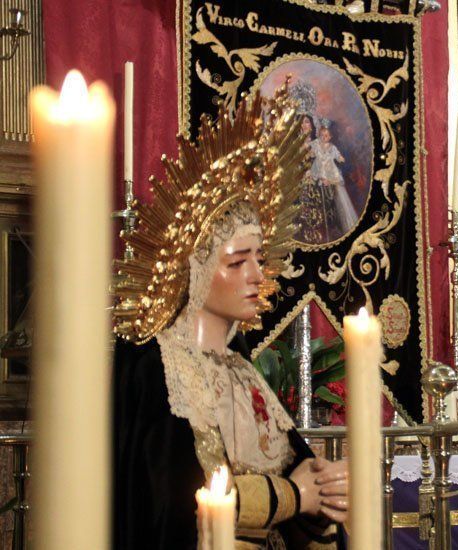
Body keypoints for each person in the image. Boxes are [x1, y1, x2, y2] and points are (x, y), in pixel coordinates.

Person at [112, 89, 348, 548]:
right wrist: (293, 495)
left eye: (260, 258)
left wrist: (323, 499)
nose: (259, 275)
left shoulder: (246, 374)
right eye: (238, 261)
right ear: (196, 269)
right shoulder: (159, 372)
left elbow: (300, 497)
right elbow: (169, 507)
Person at [309, 120, 358, 240]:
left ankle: (332, 226)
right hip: (318, 171)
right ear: (319, 135)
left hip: (330, 172)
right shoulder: (316, 144)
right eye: (322, 135)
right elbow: (311, 153)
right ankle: (321, 226)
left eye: (326, 135)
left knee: (330, 198)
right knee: (319, 196)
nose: (324, 137)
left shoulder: (332, 147)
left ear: (330, 137)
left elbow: (338, 155)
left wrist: (340, 158)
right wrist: (309, 154)